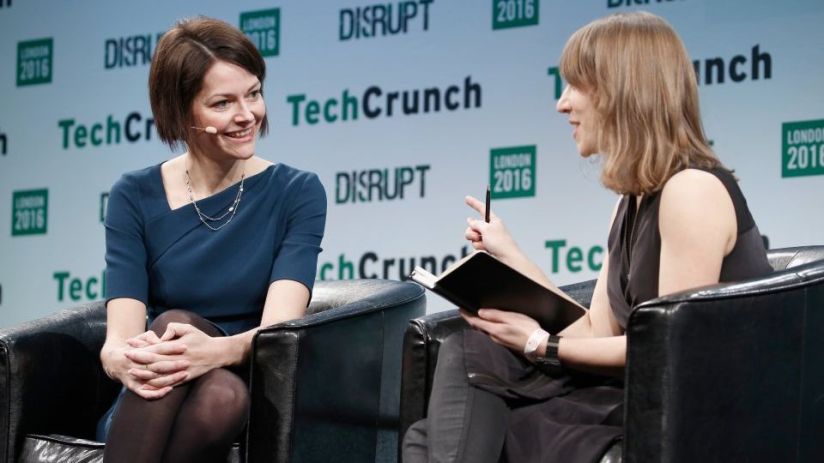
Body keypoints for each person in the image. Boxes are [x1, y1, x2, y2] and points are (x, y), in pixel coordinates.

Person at [402, 11, 771, 463]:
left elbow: (668, 350)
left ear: (621, 92)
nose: (562, 104)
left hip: (691, 413)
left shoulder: (691, 191)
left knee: (451, 410)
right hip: (635, 392)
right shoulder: (632, 199)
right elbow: (596, 329)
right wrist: (513, 257)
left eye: (575, 86)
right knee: (445, 395)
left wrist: (539, 344)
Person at [97, 17, 327, 463]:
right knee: (175, 330)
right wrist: (121, 360)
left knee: (223, 395)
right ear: (181, 112)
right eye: (223, 103)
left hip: (245, 381)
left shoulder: (297, 192)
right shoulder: (133, 195)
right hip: (152, 396)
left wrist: (213, 352)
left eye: (253, 94)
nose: (247, 115)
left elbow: (278, 333)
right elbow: (118, 340)